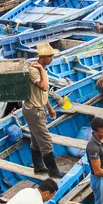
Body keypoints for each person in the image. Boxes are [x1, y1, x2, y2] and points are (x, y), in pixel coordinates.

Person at [22, 42, 66, 179]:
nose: (52, 59)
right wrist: (41, 70)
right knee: (45, 141)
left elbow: (43, 94)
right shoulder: (34, 70)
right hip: (33, 110)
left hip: (37, 108)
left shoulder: (41, 69)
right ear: (43, 57)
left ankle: (38, 167)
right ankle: (53, 171)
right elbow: (44, 87)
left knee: (36, 139)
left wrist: (50, 108)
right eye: (50, 57)